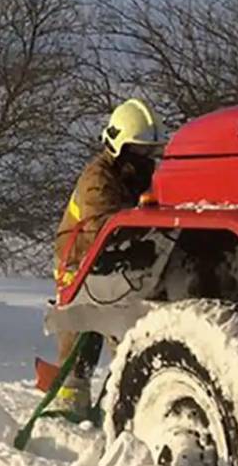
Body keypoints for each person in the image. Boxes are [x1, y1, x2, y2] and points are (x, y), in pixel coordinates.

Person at [51, 98, 166, 414]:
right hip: (79, 262)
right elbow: (104, 225)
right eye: (139, 151)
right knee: (80, 337)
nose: (146, 159)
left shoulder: (142, 176)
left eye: (151, 151)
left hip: (116, 264)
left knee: (126, 335)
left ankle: (124, 402)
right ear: (119, 146)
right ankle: (67, 407)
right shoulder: (98, 178)